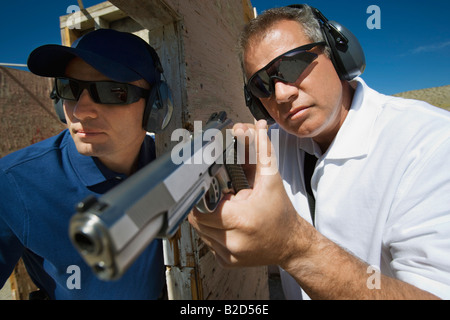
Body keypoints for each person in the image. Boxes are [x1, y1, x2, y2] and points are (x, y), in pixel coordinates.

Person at [189, 5, 450, 299]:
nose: (281, 94)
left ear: (338, 54)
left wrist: (294, 247)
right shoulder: (271, 146)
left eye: (292, 65)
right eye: (262, 84)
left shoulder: (432, 144)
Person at [0, 29, 171, 299]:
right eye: (69, 89)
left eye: (113, 92)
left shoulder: (173, 168)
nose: (80, 111)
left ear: (155, 105)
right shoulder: (14, 182)